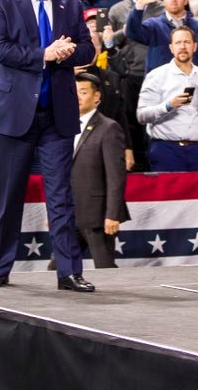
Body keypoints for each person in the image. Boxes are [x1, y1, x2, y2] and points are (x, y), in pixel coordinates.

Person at [0, 0, 95, 291]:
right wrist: (45, 54)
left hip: (56, 115)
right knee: (9, 196)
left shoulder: (70, 5)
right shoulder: (2, 2)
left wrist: (69, 52)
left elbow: (87, 49)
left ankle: (69, 272)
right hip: (12, 115)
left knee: (61, 197)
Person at [71, 72, 130, 268]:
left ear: (96, 96)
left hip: (98, 217)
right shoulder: (64, 126)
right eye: (73, 92)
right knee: (58, 268)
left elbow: (116, 177)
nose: (77, 97)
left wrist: (112, 214)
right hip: (70, 214)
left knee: (105, 269)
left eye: (83, 92)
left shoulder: (108, 128)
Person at [136, 25, 198, 172]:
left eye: (187, 42)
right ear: (171, 48)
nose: (183, 47)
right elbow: (141, 116)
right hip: (166, 150)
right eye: (178, 43)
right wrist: (168, 105)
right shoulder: (156, 75)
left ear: (195, 47)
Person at [125, 0, 198, 75]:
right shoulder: (154, 26)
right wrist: (139, 5)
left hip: (193, 81)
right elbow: (132, 32)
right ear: (163, 0)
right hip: (160, 82)